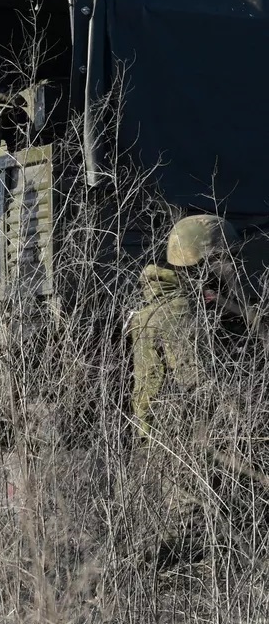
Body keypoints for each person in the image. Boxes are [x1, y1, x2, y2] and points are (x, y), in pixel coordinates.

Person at [126, 214, 266, 567]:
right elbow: (204, 380)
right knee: (190, 538)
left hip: (165, 438)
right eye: (224, 258)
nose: (232, 264)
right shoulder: (179, 312)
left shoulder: (163, 302)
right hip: (184, 441)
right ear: (203, 262)